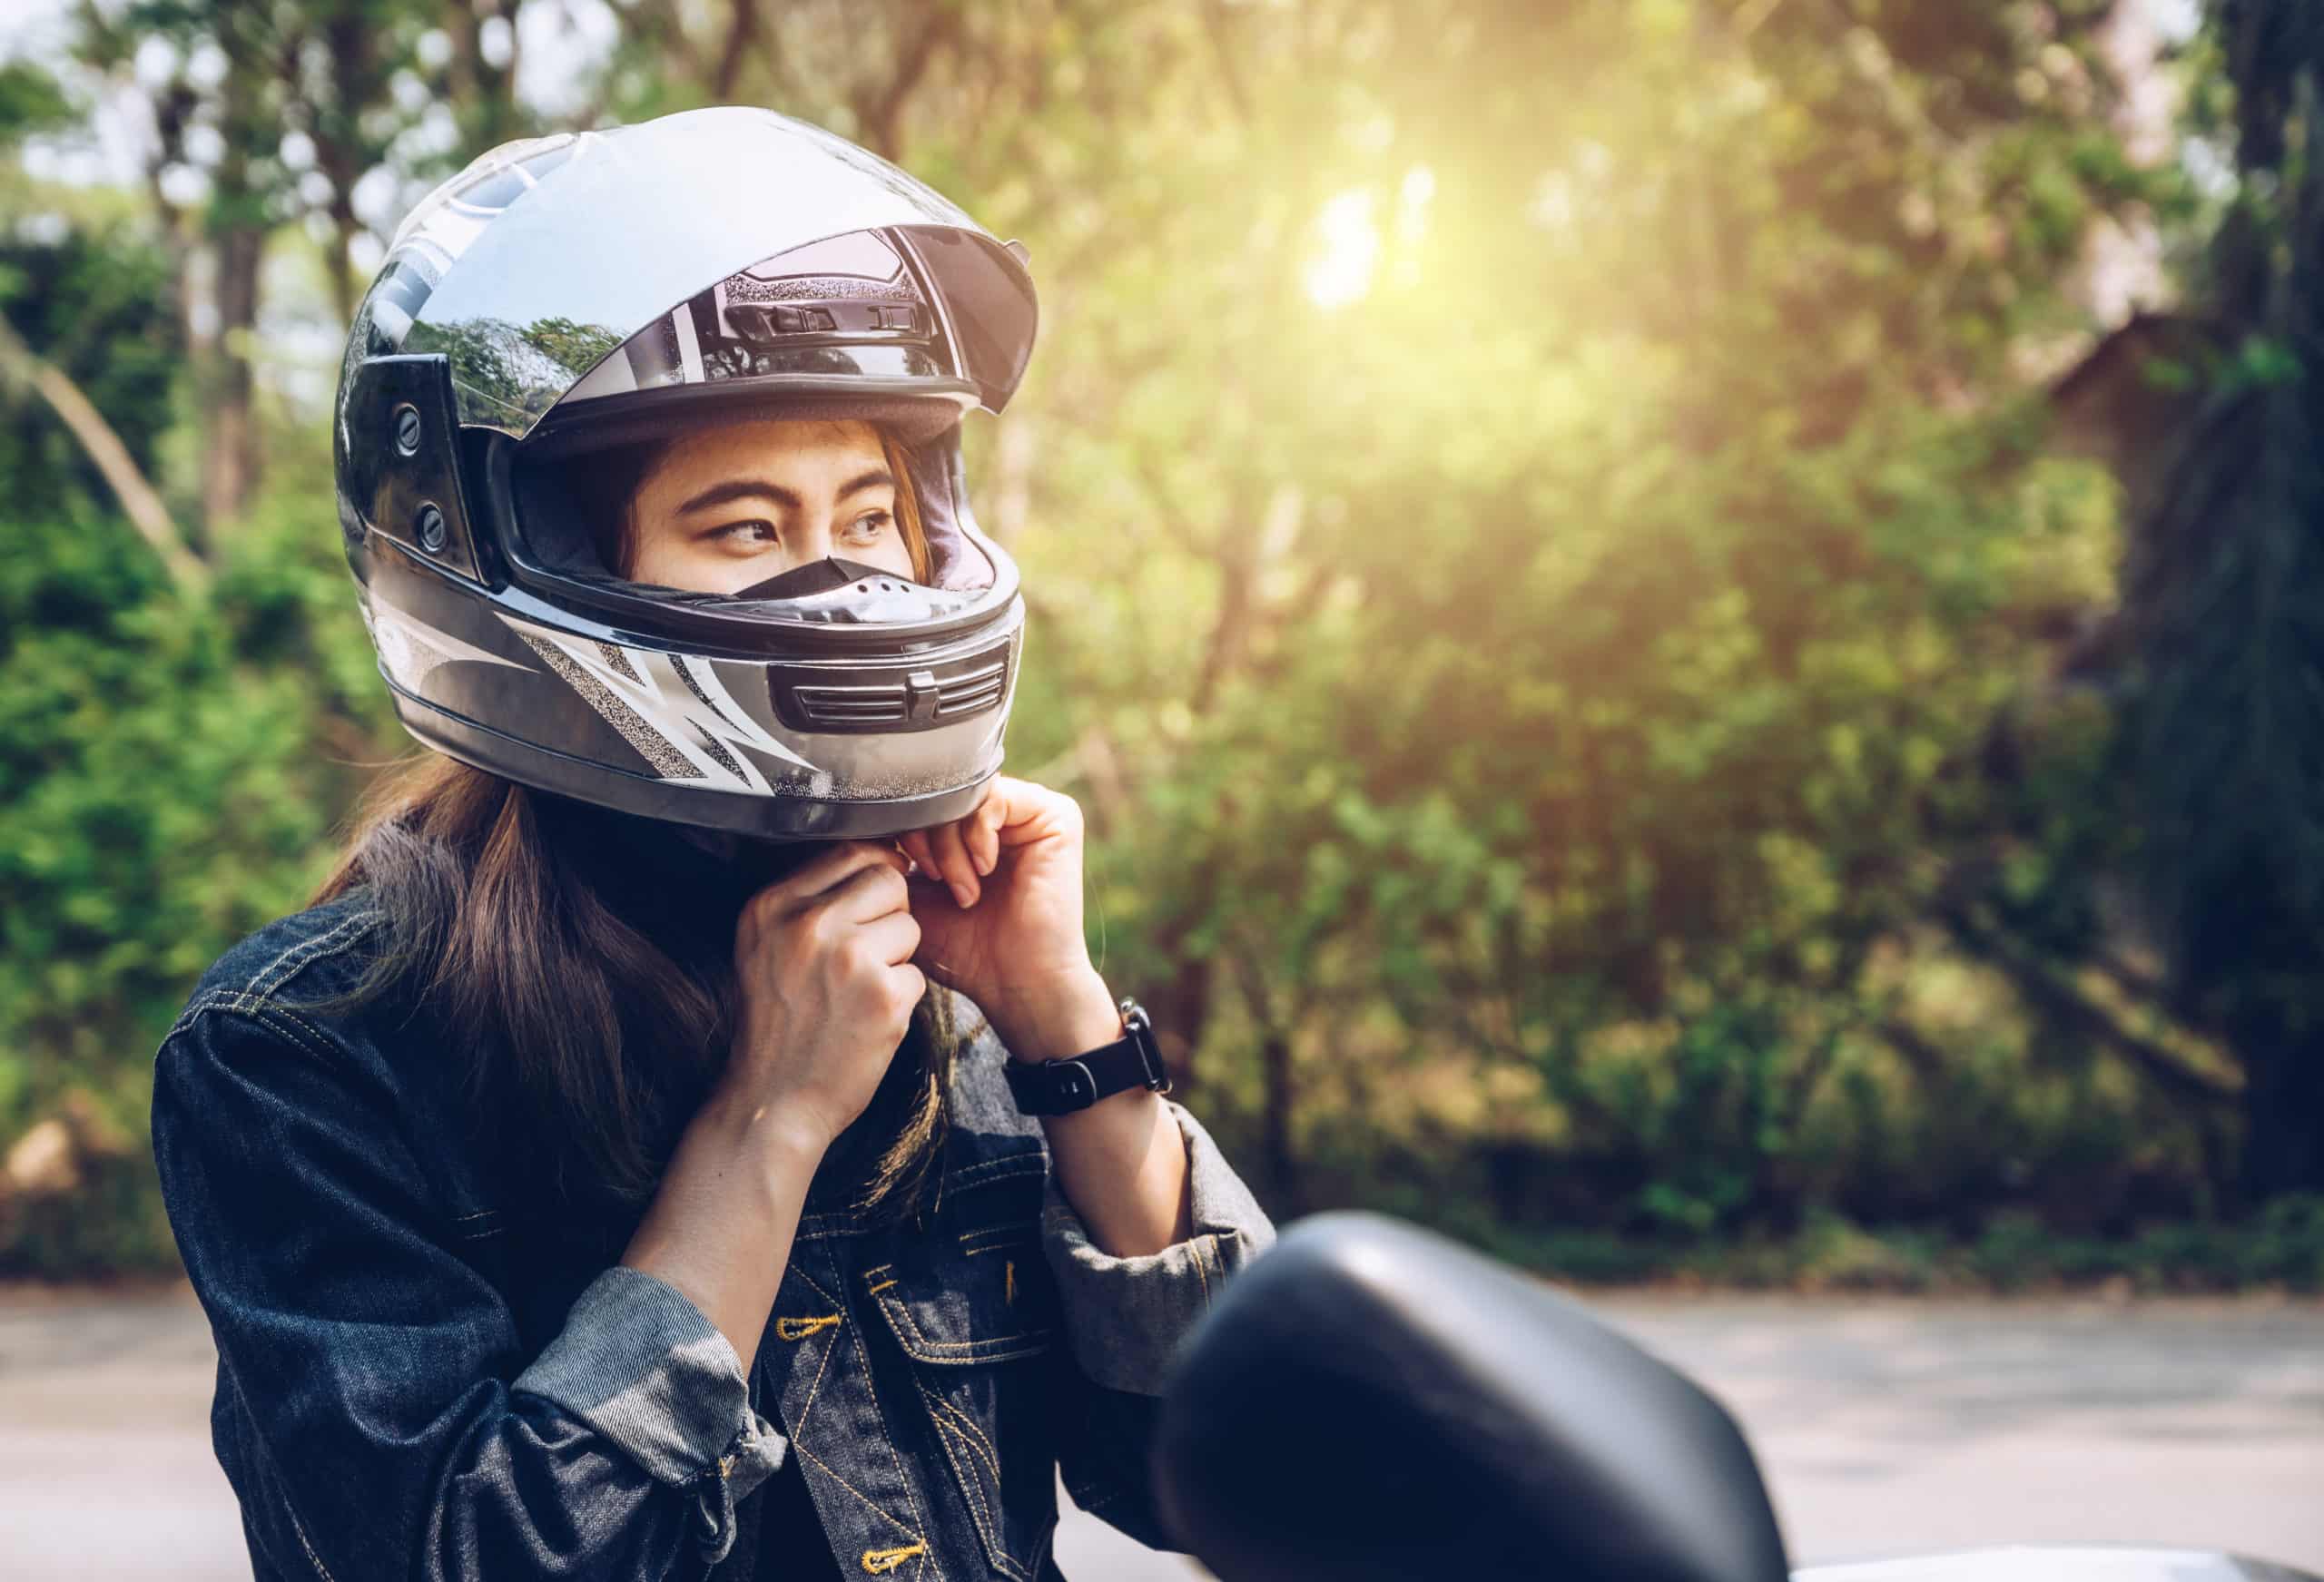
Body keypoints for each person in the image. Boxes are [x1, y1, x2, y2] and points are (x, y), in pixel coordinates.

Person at [148, 107, 1275, 1582]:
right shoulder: (309, 1056)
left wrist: (1068, 1037)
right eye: (745, 528)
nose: (845, 580)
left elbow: (1225, 1482)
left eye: (872, 514)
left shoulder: (939, 956)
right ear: (521, 558)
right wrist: (765, 1124)